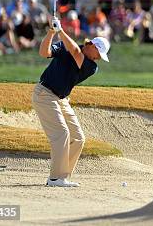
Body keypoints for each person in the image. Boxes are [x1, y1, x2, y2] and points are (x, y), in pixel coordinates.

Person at [34, 15, 110, 187]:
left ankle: (62, 176)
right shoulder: (65, 46)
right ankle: (55, 178)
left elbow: (75, 51)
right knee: (62, 134)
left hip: (61, 99)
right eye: (99, 53)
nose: (98, 58)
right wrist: (51, 32)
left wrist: (60, 30)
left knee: (78, 138)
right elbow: (43, 52)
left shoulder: (91, 67)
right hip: (45, 94)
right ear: (91, 45)